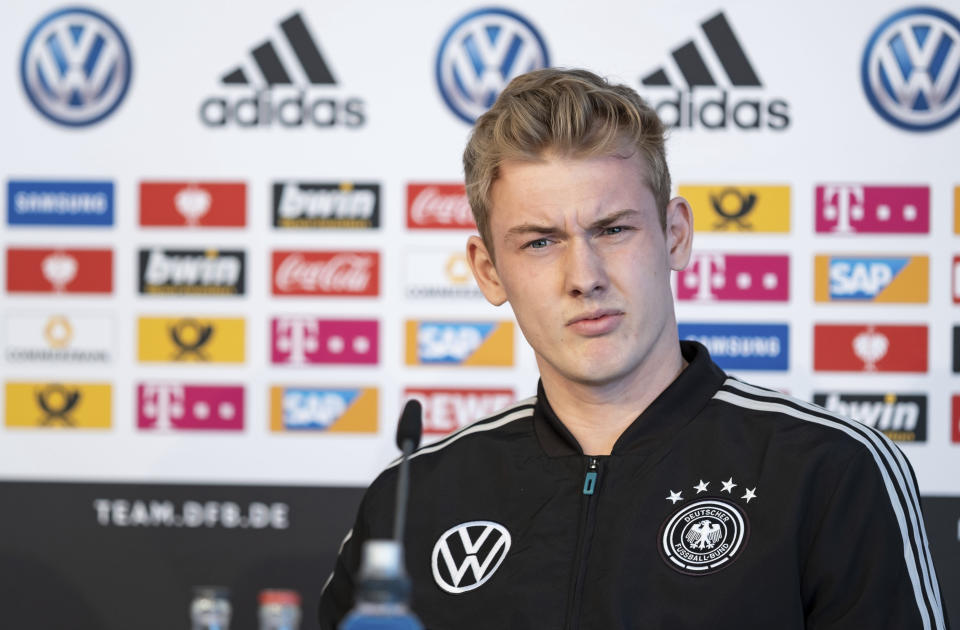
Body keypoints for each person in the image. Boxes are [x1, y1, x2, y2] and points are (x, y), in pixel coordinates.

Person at [319, 68, 948, 629]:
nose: (584, 276)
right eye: (539, 242)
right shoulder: (411, 499)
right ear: (487, 271)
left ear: (675, 236)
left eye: (613, 229)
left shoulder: (830, 469)